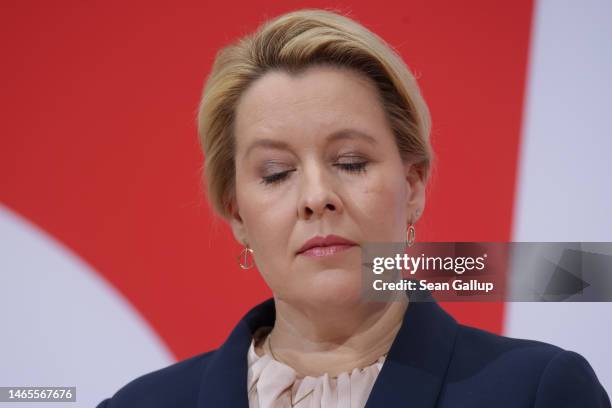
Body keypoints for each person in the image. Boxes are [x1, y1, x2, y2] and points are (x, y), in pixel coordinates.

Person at [97, 8, 610, 408]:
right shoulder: (138, 404)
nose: (317, 196)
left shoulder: (537, 392)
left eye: (351, 161)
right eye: (276, 172)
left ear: (412, 186)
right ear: (237, 214)